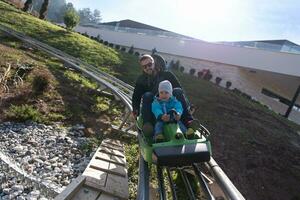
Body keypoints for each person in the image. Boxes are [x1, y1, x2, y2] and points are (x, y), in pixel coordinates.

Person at [132, 54, 198, 137]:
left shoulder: (167, 75)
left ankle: (189, 121)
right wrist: (135, 109)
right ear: (142, 68)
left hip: (171, 105)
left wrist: (187, 105)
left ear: (154, 63)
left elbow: (180, 89)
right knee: (147, 95)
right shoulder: (141, 80)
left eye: (149, 64)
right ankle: (148, 125)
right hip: (155, 108)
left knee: (177, 90)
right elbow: (136, 96)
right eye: (145, 66)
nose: (148, 67)